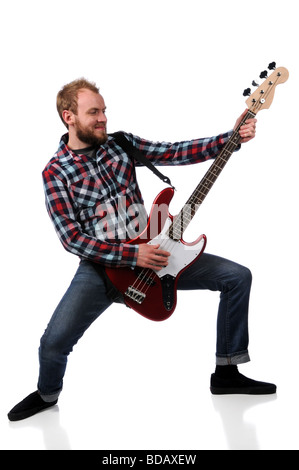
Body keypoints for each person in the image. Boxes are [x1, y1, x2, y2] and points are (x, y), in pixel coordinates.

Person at [8, 78, 276, 422]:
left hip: (156, 252)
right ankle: (47, 395)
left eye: (104, 110)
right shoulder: (56, 172)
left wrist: (231, 137)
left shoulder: (121, 144)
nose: (103, 118)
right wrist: (133, 256)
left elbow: (176, 152)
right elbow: (72, 238)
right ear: (68, 117)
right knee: (53, 343)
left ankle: (226, 373)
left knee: (237, 277)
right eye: (94, 113)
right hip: (102, 267)